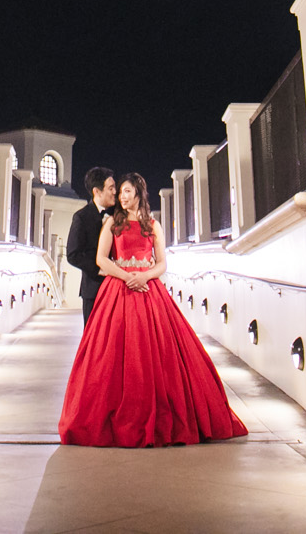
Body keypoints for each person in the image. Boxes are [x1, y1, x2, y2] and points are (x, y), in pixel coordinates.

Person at [58, 172, 248, 447]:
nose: (122, 197)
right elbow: (101, 259)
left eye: (127, 192)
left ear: (138, 194)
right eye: (119, 191)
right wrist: (127, 276)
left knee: (155, 352)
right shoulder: (112, 222)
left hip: (148, 290)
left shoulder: (153, 225)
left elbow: (162, 263)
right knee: (109, 353)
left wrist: (145, 277)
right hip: (119, 290)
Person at [68, 168, 116, 324]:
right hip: (93, 290)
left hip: (116, 289)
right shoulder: (81, 217)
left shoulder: (117, 215)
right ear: (97, 191)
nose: (115, 192)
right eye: (111, 188)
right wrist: (100, 268)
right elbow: (73, 255)